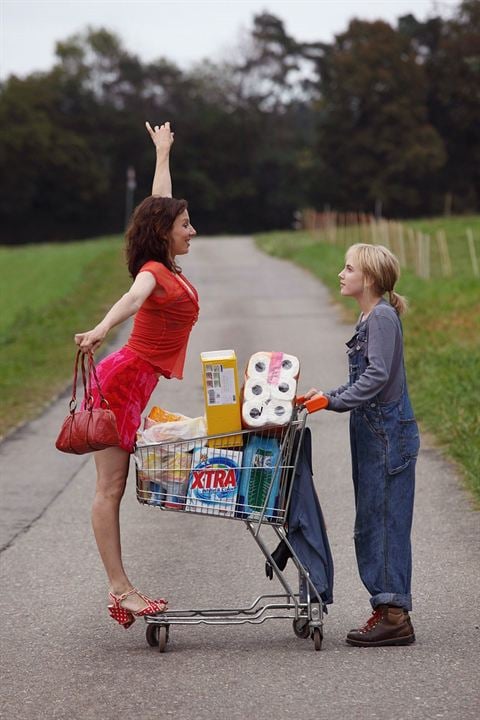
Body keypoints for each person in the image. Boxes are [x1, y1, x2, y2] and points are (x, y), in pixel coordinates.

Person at [74, 121, 198, 629]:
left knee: (115, 486)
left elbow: (157, 204)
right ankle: (120, 590)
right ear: (167, 233)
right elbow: (132, 299)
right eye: (186, 224)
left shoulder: (162, 258)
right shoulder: (153, 272)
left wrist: (163, 153)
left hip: (130, 382)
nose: (192, 230)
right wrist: (102, 327)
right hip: (120, 381)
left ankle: (122, 589)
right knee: (110, 488)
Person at [305, 243, 420, 647]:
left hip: (387, 434)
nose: (341, 272)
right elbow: (367, 379)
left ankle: (393, 615)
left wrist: (333, 401)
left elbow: (375, 378)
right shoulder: (370, 316)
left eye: (348, 267)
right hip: (374, 431)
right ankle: (387, 607)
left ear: (368, 278)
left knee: (384, 521)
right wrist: (328, 394)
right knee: (372, 520)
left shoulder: (383, 317)